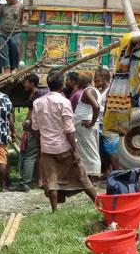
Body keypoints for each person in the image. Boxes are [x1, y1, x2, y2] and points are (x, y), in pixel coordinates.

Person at [33, 72, 98, 211]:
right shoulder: (64, 102)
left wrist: (39, 148)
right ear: (62, 84)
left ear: (48, 85)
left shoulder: (37, 103)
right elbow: (69, 129)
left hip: (47, 147)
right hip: (64, 146)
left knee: (52, 180)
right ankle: (99, 204)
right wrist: (75, 151)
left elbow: (35, 128)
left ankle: (54, 210)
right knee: (82, 176)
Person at [16, 73, 47, 192]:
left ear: (32, 83)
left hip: (34, 129)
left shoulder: (37, 95)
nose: (24, 84)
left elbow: (32, 112)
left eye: (25, 82)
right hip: (39, 127)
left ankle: (24, 182)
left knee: (30, 155)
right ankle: (36, 179)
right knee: (34, 154)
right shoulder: (39, 94)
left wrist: (27, 123)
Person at [69, 72, 102, 181]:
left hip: (86, 126)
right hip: (86, 125)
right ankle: (89, 179)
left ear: (82, 81)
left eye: (78, 79)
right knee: (89, 152)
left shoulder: (88, 91)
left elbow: (96, 106)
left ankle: (94, 180)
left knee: (91, 154)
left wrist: (91, 123)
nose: (77, 82)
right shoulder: (92, 90)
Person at [95, 68, 117, 177]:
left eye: (97, 80)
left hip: (108, 125)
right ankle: (107, 174)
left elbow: (112, 109)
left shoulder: (110, 90)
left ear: (103, 79)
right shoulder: (100, 91)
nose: (95, 83)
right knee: (103, 151)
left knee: (111, 150)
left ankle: (117, 174)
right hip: (100, 124)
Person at [0, 0, 23, 74]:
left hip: (16, 32)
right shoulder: (3, 7)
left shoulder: (21, 6)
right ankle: (6, 69)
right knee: (2, 50)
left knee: (15, 49)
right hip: (2, 32)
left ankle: (15, 67)